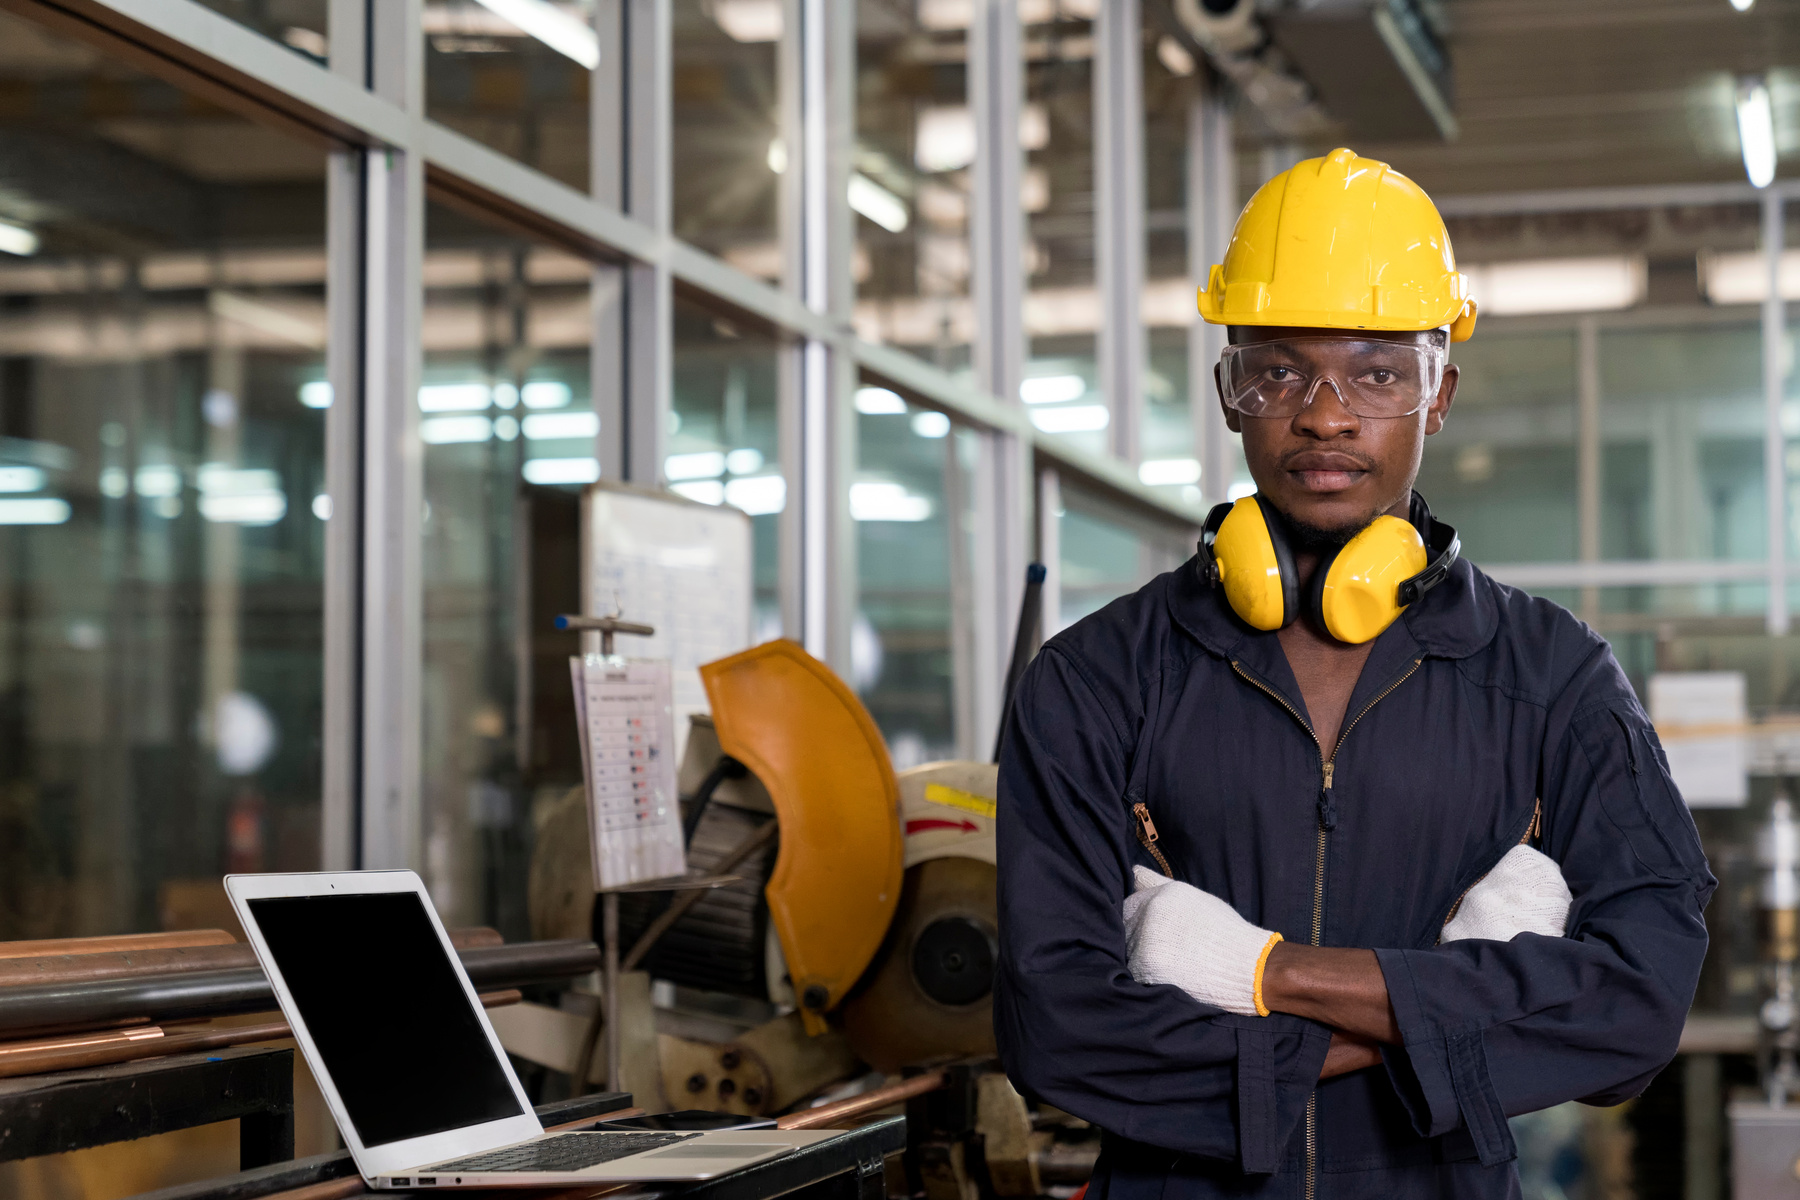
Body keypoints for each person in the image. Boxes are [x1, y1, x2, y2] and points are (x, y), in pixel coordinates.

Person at [993, 148, 1715, 1199]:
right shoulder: (1096, 679)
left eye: (1378, 372)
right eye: (1279, 369)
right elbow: (1054, 1023)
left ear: (1439, 396)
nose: (1326, 415)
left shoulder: (1552, 677)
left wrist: (1253, 971)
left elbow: (1639, 997)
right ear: (1231, 392)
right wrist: (1443, 1020)